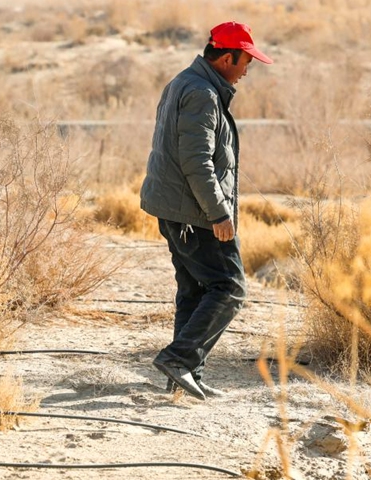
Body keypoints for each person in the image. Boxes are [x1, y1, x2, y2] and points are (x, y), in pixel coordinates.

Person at [139, 21, 273, 400]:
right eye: (246, 60)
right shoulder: (202, 94)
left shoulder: (186, 82)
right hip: (195, 212)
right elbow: (197, 163)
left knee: (195, 291)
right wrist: (218, 214)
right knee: (229, 288)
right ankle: (179, 360)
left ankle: (185, 374)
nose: (248, 70)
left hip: (178, 209)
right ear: (227, 57)